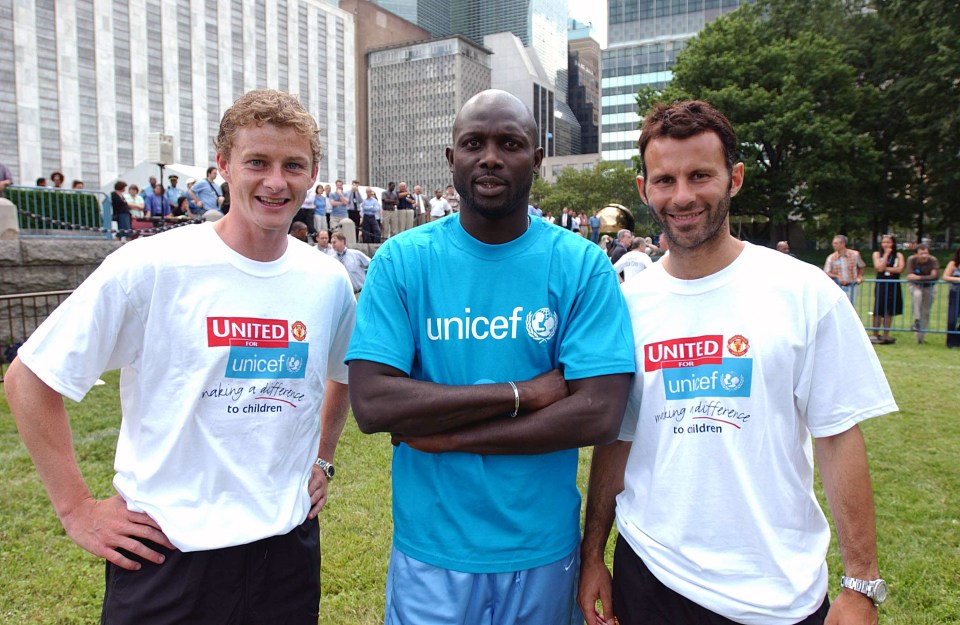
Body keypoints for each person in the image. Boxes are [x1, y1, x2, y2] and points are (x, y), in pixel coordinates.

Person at [3, 88, 356, 624]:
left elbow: (341, 374)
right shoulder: (153, 265)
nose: (275, 181)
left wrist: (322, 459)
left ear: (313, 176)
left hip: (285, 552)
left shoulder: (326, 279)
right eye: (256, 162)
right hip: (168, 555)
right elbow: (29, 377)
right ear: (223, 165)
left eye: (293, 165)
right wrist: (76, 508)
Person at [578, 99, 897, 625]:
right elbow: (617, 441)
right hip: (651, 575)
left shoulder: (803, 291)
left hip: (777, 590)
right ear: (644, 190)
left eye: (700, 175)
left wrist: (860, 583)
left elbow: (839, 437)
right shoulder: (627, 306)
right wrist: (593, 556)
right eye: (665, 180)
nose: (682, 196)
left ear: (735, 178)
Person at [345, 89, 635, 625]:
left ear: (537, 161)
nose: (491, 156)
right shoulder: (402, 261)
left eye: (511, 143)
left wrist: (452, 437)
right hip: (431, 553)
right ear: (451, 159)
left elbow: (599, 412)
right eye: (474, 143)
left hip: (543, 551)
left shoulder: (581, 265)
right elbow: (373, 404)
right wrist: (522, 394)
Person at [871, 234, 904, 344]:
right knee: (878, 309)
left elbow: (899, 269)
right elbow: (879, 268)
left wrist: (885, 267)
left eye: (888, 242)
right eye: (884, 242)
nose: (886, 244)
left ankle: (886, 334)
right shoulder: (877, 254)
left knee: (888, 310)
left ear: (893, 243)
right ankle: (875, 334)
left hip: (893, 284)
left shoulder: (898, 255)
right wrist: (886, 255)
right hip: (881, 284)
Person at [905, 243, 940, 344]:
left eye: (926, 253)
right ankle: (916, 319)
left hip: (929, 287)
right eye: (921, 254)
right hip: (914, 286)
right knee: (917, 295)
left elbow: (935, 276)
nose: (924, 256)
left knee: (925, 312)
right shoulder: (911, 260)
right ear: (916, 254)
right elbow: (909, 275)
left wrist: (919, 278)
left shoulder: (933, 260)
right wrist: (922, 279)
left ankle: (920, 338)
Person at [823, 234, 865, 305]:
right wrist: (837, 276)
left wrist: (859, 276)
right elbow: (827, 272)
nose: (833, 245)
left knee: (851, 306)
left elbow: (862, 266)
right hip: (837, 287)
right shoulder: (831, 257)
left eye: (836, 243)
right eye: (833, 243)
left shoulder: (855, 255)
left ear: (843, 244)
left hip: (852, 286)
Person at [944, 247, 960, 349]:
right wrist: (958, 279)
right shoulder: (953, 264)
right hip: (955, 293)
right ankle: (950, 341)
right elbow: (945, 277)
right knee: (952, 318)